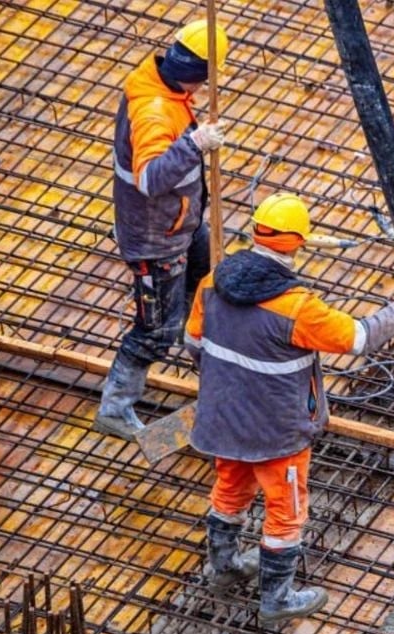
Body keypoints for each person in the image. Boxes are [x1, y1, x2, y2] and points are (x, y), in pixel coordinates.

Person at [184, 192, 394, 624]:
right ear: (299, 242)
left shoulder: (213, 282)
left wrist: (227, 387)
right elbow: (360, 337)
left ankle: (224, 570)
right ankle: (276, 600)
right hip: (276, 433)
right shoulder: (297, 307)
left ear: (255, 232)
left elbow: (194, 343)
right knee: (285, 512)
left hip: (221, 418)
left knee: (230, 492)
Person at [95, 19, 230, 438]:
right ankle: (115, 410)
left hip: (181, 224)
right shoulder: (154, 109)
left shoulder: (164, 86)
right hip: (157, 240)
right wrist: (194, 145)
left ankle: (221, 382)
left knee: (210, 292)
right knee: (157, 331)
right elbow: (152, 179)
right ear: (197, 75)